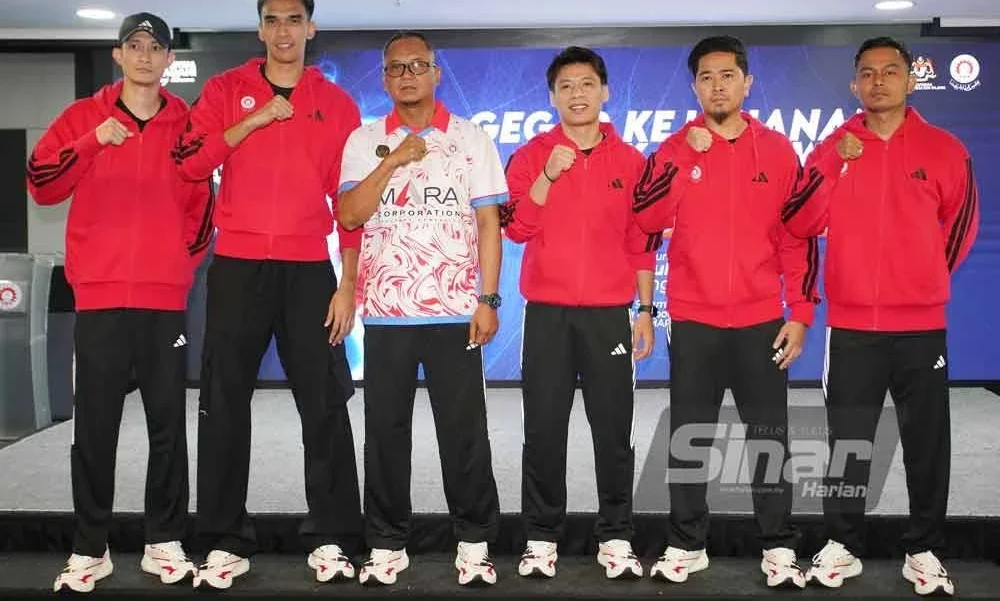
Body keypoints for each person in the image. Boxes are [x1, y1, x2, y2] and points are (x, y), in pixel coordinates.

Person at [172, 0, 363, 590]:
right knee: (224, 403)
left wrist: (348, 283)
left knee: (325, 405)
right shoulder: (228, 90)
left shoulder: (335, 104)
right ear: (260, 29)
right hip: (238, 267)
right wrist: (246, 127)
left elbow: (351, 203)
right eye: (272, 19)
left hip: (311, 271)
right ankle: (224, 538)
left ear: (310, 28)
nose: (283, 30)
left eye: (294, 19)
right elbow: (192, 162)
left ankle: (333, 535)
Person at [783, 36, 979, 597]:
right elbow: (799, 221)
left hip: (920, 326)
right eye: (867, 73)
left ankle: (923, 548)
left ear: (909, 80)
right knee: (849, 443)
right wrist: (830, 164)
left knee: (926, 442)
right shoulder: (833, 147)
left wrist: (920, 282)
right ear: (854, 85)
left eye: (889, 71)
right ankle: (842, 544)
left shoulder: (944, 148)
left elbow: (960, 228)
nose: (878, 82)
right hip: (851, 327)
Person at [28, 13, 214, 593]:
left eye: (155, 48)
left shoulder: (185, 124)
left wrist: (172, 272)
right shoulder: (85, 117)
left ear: (166, 62)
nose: (144, 55)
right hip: (101, 300)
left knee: (167, 424)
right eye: (134, 45)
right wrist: (90, 143)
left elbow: (201, 213)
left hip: (163, 302)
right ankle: (91, 548)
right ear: (118, 55)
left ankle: (165, 541)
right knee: (96, 428)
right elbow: (41, 182)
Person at [632, 35, 820, 588]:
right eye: (707, 77)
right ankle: (687, 543)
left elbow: (797, 239)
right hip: (695, 319)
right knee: (690, 436)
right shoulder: (671, 149)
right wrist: (689, 155)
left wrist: (801, 310)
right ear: (694, 86)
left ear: (747, 83)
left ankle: (779, 545)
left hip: (763, 319)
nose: (718, 85)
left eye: (728, 75)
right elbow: (644, 219)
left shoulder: (779, 150)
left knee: (769, 437)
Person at [337, 31, 506, 587]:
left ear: (437, 72)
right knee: (386, 431)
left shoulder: (471, 139)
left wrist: (487, 297)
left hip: (456, 309)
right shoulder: (364, 140)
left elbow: (487, 224)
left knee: (464, 431)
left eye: (418, 65)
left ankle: (475, 540)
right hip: (387, 311)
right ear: (385, 79)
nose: (408, 75)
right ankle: (386, 541)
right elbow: (352, 214)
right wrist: (395, 161)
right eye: (396, 68)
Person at [501, 46, 658, 580]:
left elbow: (642, 243)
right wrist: (548, 174)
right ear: (552, 96)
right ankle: (541, 536)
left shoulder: (633, 161)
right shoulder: (529, 156)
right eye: (566, 86)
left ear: (605, 91)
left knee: (612, 429)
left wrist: (644, 309)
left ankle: (616, 534)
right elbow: (517, 228)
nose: (577, 94)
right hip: (547, 314)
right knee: (543, 429)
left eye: (586, 84)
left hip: (610, 315)